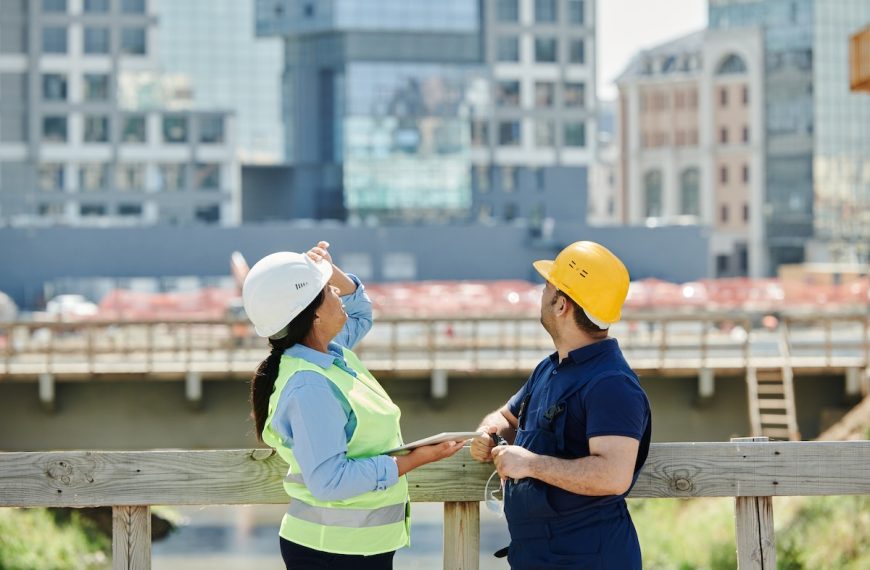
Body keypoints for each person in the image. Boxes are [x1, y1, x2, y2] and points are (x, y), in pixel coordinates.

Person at [243, 241, 463, 569]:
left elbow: (360, 311)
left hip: (356, 547)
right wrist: (417, 459)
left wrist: (329, 271)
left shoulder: (330, 355)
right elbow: (330, 480)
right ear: (314, 313)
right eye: (328, 290)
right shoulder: (310, 384)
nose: (337, 290)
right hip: (332, 552)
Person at [470, 241, 652, 569]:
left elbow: (613, 475)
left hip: (589, 559)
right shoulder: (550, 368)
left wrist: (530, 464)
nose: (542, 295)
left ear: (561, 304)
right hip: (539, 556)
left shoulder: (611, 383)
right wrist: (489, 433)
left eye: (547, 287)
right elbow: (505, 416)